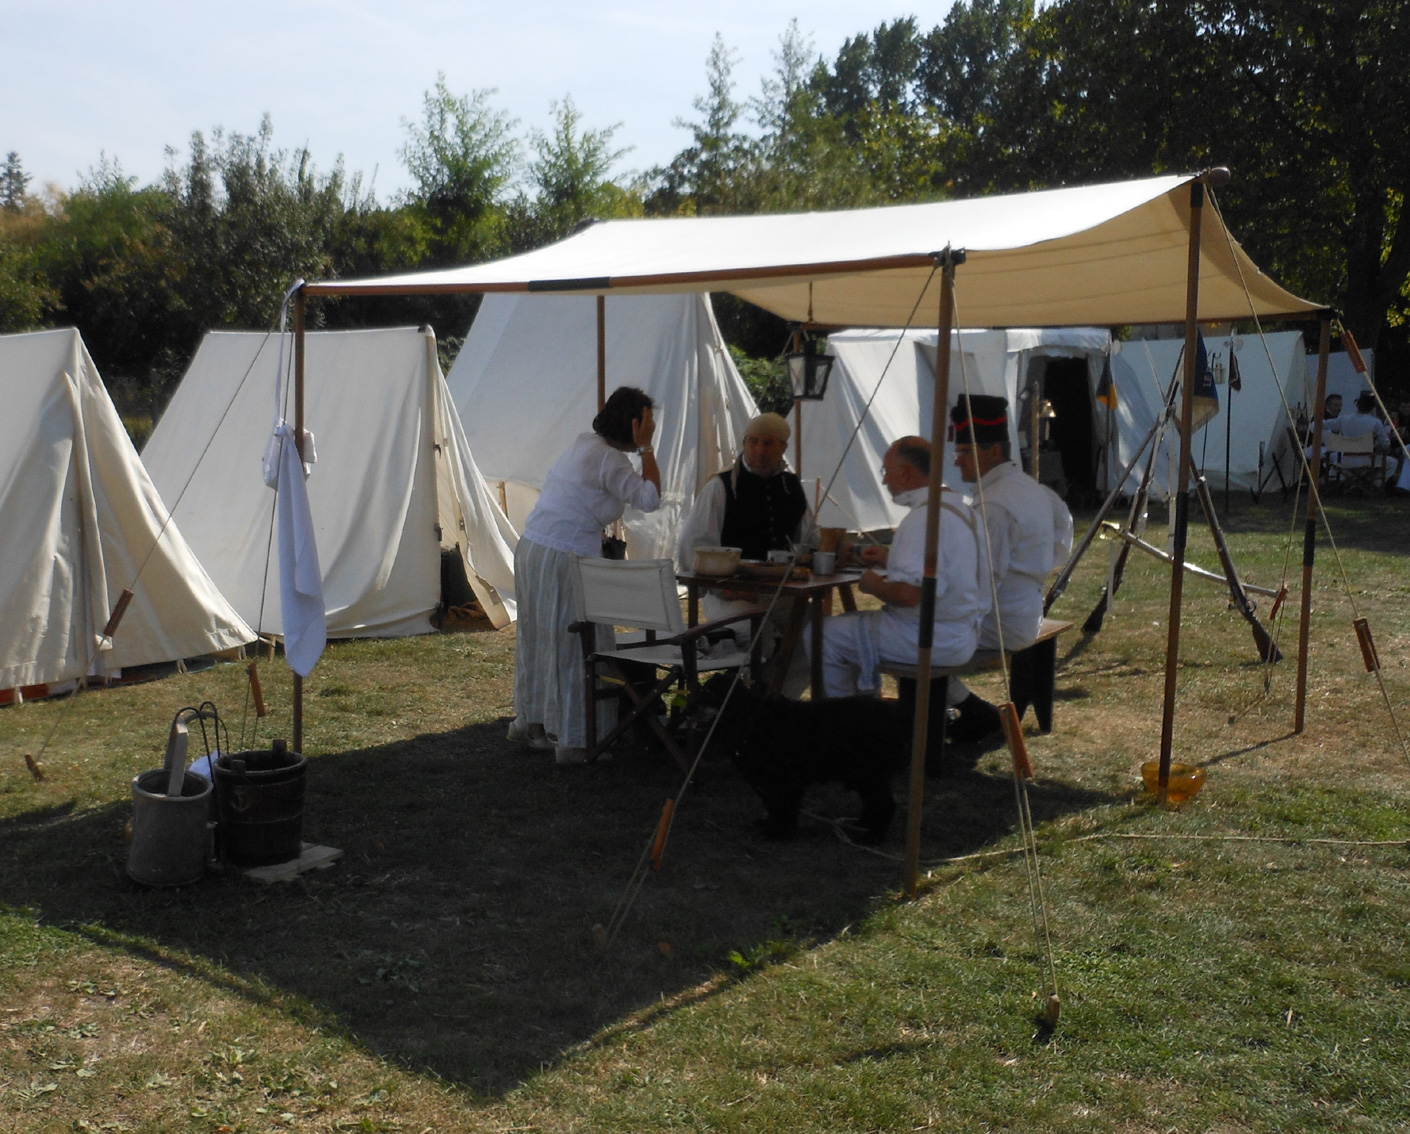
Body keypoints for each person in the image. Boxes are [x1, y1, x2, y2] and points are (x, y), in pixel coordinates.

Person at [507, 387, 661, 764]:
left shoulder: (583, 444)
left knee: (542, 640)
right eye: (648, 422)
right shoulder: (610, 460)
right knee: (579, 648)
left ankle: (534, 722)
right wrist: (647, 449)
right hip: (564, 555)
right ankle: (575, 740)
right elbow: (651, 498)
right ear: (635, 424)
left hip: (535, 547)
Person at [804, 436, 987, 699]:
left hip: (930, 638)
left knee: (820, 635)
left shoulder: (922, 519)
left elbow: (908, 596)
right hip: (961, 631)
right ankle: (867, 711)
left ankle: (841, 721)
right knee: (843, 625)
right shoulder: (962, 511)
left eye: (886, 472)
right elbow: (946, 569)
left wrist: (873, 586)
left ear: (904, 473)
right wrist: (891, 559)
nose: (885, 481)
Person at [946, 395, 1074, 741]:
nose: (958, 463)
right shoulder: (1028, 488)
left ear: (993, 452)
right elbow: (1062, 534)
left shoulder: (996, 504)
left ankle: (969, 712)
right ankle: (956, 708)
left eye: (964, 454)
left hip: (1004, 621)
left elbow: (984, 578)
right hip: (1024, 610)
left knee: (916, 631)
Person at [677, 412, 817, 642]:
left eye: (768, 443)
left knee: (816, 633)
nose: (760, 451)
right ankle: (751, 679)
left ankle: (780, 679)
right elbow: (692, 544)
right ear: (744, 444)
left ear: (783, 447)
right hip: (727, 595)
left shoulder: (791, 486)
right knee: (757, 633)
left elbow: (809, 538)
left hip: (779, 591)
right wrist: (723, 590)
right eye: (754, 442)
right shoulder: (721, 486)